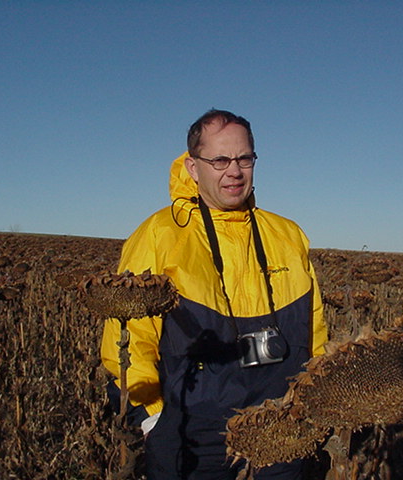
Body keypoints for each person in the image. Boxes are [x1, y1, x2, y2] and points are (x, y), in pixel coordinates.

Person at [101, 109, 328, 479]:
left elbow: (314, 328)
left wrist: (314, 400)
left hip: (282, 421)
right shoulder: (160, 234)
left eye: (244, 158)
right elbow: (127, 337)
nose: (234, 171)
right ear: (193, 167)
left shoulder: (288, 235)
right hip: (193, 432)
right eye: (220, 160)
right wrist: (152, 417)